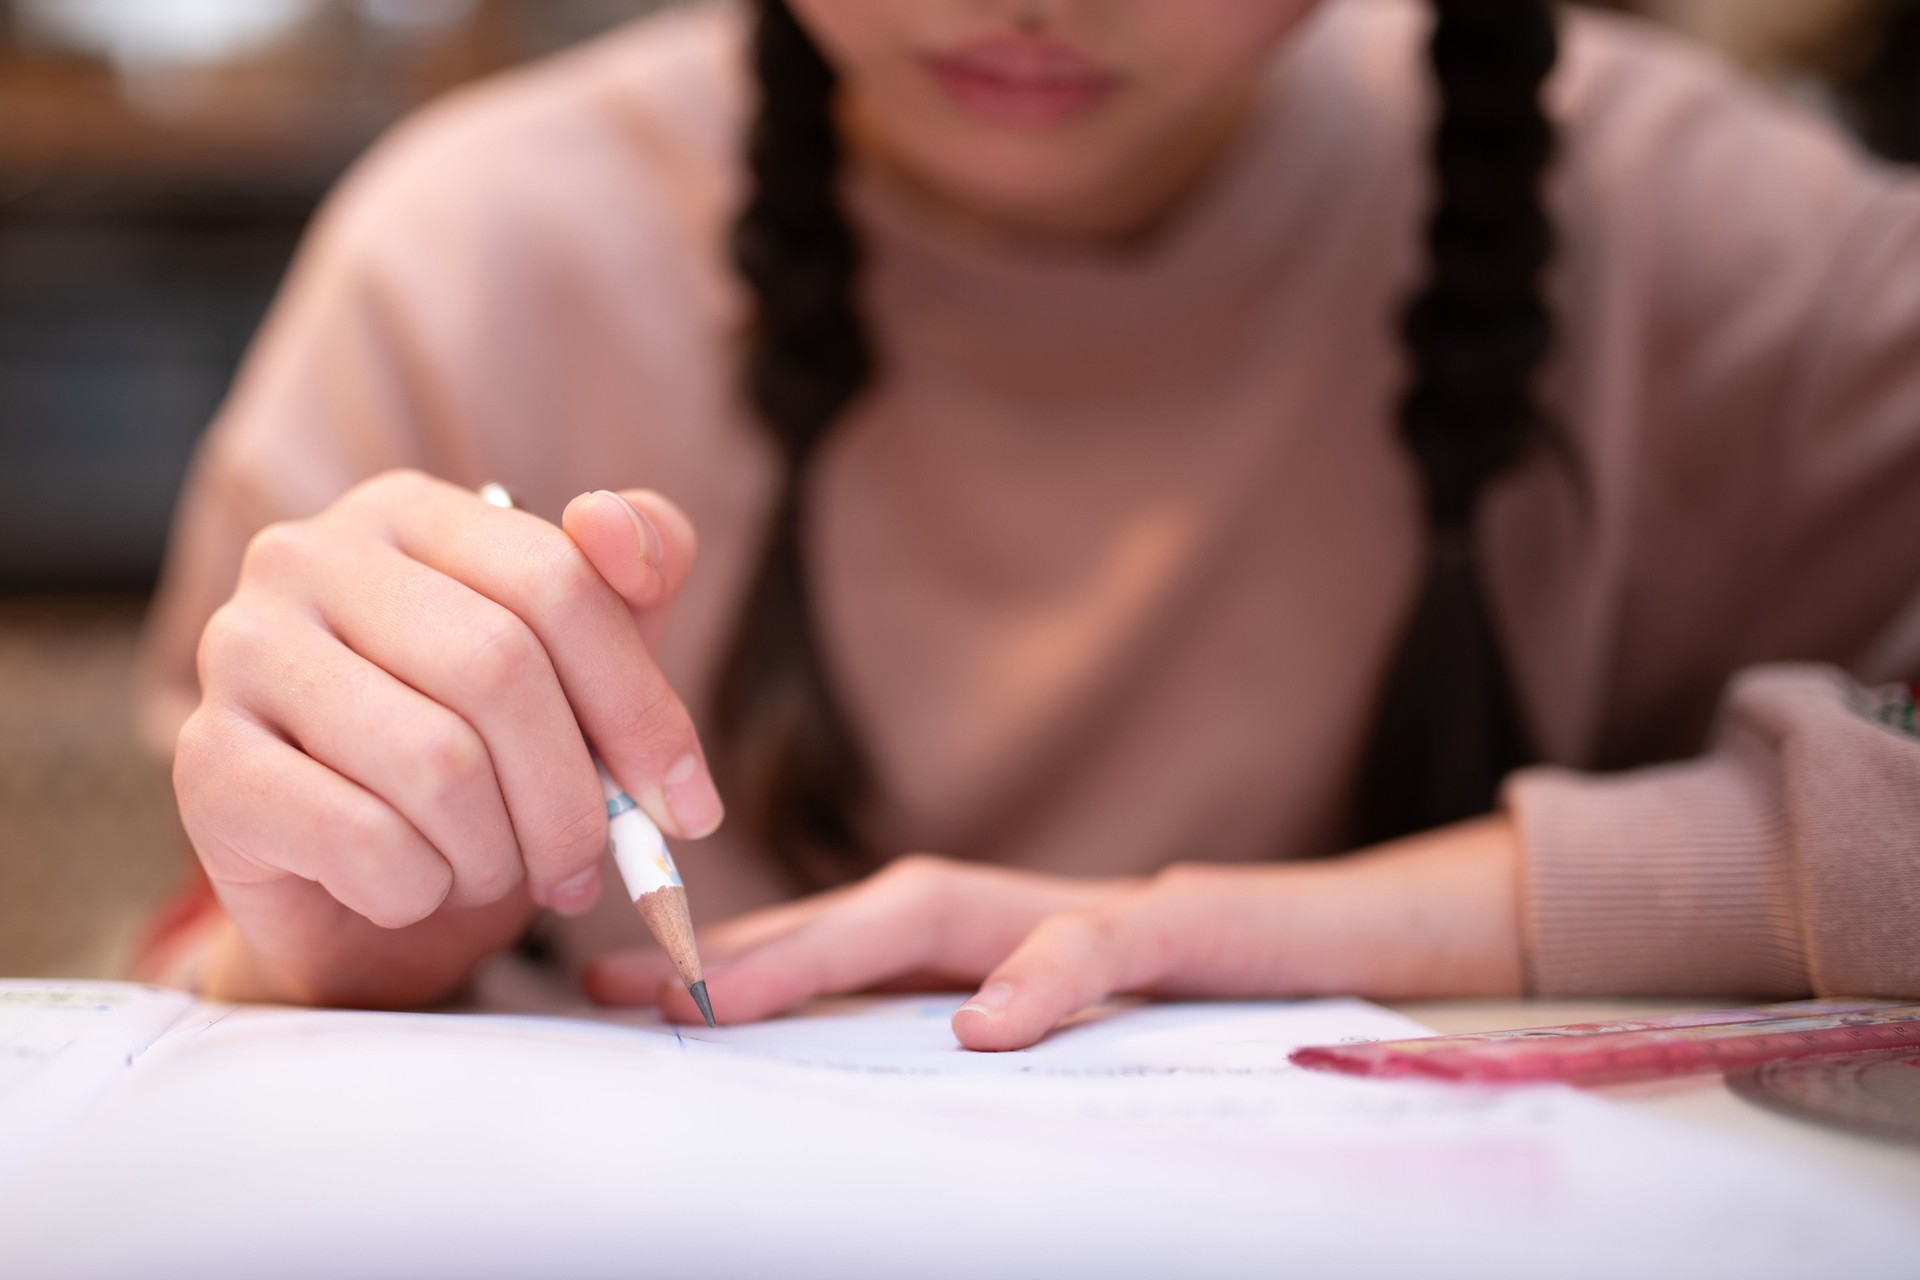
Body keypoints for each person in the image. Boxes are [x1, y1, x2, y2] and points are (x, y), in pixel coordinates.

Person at [137, 0, 1920, 1050]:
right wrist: (336, 944)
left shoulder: (1736, 249)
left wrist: (1397, 924)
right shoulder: (465, 265)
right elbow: (179, 983)